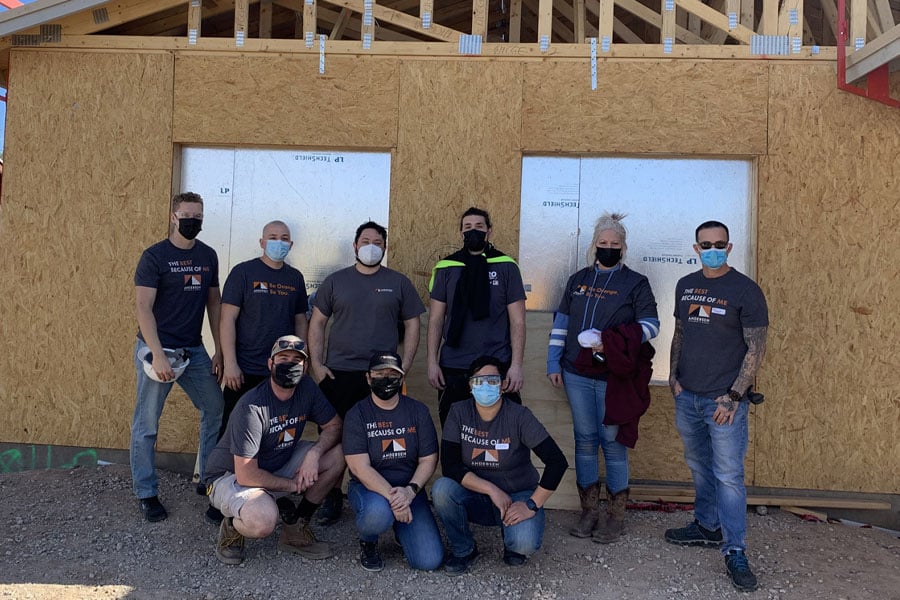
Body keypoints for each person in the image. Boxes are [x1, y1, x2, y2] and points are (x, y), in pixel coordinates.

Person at [665, 220, 768, 593]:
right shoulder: (685, 285)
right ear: (695, 248)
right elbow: (679, 333)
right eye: (705, 244)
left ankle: (735, 549)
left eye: (719, 243)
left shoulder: (745, 290)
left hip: (723, 402)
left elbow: (756, 348)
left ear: (729, 247)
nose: (712, 248)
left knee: (728, 476)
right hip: (687, 395)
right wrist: (672, 378)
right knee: (699, 466)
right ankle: (707, 526)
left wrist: (734, 396)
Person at [547, 212, 659, 543]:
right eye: (602, 243)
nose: (608, 248)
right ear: (594, 244)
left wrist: (609, 339)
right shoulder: (577, 279)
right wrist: (554, 362)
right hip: (576, 372)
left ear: (623, 248)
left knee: (612, 445)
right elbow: (561, 324)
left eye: (615, 244)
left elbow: (652, 325)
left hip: (614, 377)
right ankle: (588, 512)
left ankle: (615, 517)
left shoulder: (636, 283)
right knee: (584, 441)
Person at [308, 221, 426, 524]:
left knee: (378, 438)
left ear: (384, 248)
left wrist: (406, 364)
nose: (371, 246)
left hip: (381, 377)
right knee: (333, 438)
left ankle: (373, 493)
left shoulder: (398, 282)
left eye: (377, 241)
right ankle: (330, 496)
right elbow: (318, 321)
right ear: (355, 245)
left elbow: (414, 322)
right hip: (338, 374)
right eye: (365, 240)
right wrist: (317, 365)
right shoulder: (336, 281)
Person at [204, 335, 345, 565]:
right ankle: (232, 526)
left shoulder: (307, 388)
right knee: (263, 520)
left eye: (296, 360)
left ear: (305, 366)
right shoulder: (252, 406)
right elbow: (247, 474)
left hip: (276, 463)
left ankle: (295, 528)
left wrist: (314, 453)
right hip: (230, 477)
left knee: (337, 456)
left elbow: (334, 425)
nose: (289, 364)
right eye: (283, 358)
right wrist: (292, 486)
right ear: (270, 364)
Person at [131, 191, 224, 522]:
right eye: (186, 216)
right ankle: (146, 492)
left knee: (214, 408)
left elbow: (214, 305)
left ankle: (208, 478)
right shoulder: (155, 256)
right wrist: (157, 355)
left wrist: (220, 351)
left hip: (193, 350)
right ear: (173, 217)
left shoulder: (208, 256)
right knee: (147, 424)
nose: (192, 222)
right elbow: (143, 308)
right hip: (158, 351)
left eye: (198, 217)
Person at [432, 356, 568, 576]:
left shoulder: (519, 416)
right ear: (469, 385)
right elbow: (450, 466)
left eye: (492, 380)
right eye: (478, 381)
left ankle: (511, 539)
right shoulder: (458, 412)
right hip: (476, 494)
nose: (485, 386)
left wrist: (531, 505)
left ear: (504, 384)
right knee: (441, 490)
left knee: (523, 544)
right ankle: (463, 549)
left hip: (518, 493)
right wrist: (491, 489)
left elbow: (557, 463)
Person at [342, 351, 444, 572]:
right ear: (368, 378)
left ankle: (401, 529)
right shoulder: (357, 414)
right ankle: (368, 540)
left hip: (410, 491)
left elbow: (428, 459)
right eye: (379, 374)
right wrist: (394, 498)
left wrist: (409, 492)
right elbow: (359, 467)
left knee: (428, 561)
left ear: (402, 378)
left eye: (392, 374)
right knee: (378, 514)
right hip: (371, 491)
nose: (386, 379)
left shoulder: (418, 411)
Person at [426, 207, 527, 426]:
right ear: (460, 232)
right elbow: (435, 320)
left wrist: (516, 366)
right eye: (468, 227)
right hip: (454, 366)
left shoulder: (507, 267)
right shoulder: (446, 268)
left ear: (489, 231)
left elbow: (518, 321)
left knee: (501, 432)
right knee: (454, 434)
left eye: (479, 227)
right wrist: (432, 362)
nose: (474, 231)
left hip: (497, 365)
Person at [220, 220, 309, 435]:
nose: (279, 243)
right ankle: (223, 471)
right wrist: (230, 364)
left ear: (291, 244)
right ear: (262, 242)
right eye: (272, 238)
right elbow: (227, 319)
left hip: (281, 370)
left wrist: (304, 359)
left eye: (284, 239)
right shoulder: (243, 272)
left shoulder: (295, 278)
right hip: (244, 370)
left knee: (272, 430)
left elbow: (300, 322)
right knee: (232, 430)